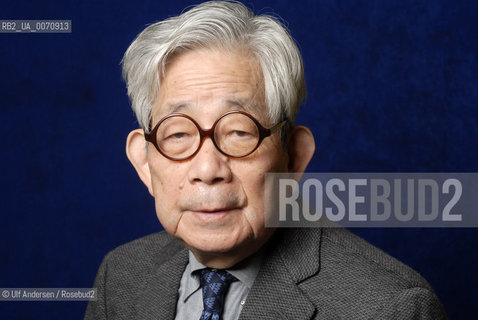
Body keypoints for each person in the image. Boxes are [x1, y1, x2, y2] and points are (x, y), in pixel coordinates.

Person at [85, 1, 447, 319]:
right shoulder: (120, 277)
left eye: (239, 132)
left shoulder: (391, 308)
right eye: (178, 135)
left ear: (294, 158)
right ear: (145, 164)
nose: (208, 170)